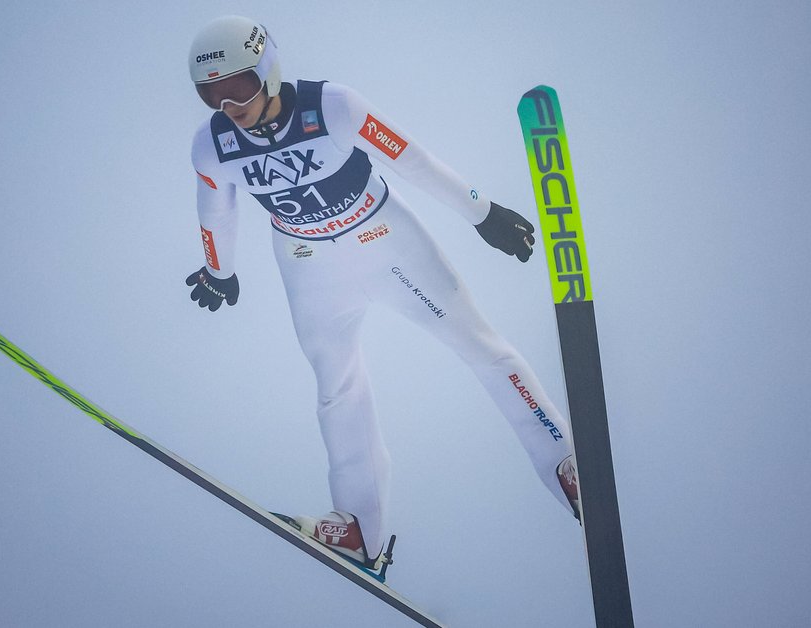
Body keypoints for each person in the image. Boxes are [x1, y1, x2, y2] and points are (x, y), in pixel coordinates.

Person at [185, 15, 580, 569]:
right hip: (308, 266)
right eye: (211, 95)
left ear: (268, 71)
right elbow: (215, 211)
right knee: (336, 389)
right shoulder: (213, 145)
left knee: (480, 347)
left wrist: (482, 213)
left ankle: (566, 464)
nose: (229, 106)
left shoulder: (333, 107)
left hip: (387, 242)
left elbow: (413, 160)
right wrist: (219, 270)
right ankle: (359, 530)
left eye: (239, 87)